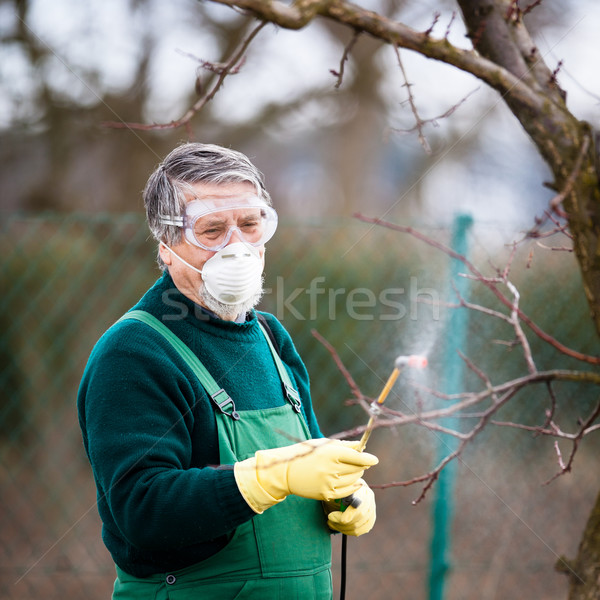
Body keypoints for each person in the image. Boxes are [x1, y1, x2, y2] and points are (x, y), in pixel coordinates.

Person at [77, 142, 379, 599]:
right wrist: (267, 477)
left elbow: (309, 466)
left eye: (250, 225)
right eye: (212, 230)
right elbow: (141, 509)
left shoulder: (271, 338)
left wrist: (342, 495)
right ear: (167, 246)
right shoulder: (134, 352)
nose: (237, 248)